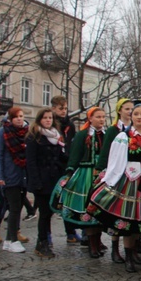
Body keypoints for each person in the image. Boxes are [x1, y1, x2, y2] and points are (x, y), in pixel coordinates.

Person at [89, 101, 141, 274]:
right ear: (131, 116)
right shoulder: (123, 137)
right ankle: (129, 258)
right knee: (128, 220)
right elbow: (114, 160)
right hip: (130, 180)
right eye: (136, 114)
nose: (139, 117)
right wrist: (109, 179)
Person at [54, 107, 108, 258]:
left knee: (99, 211)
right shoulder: (83, 135)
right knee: (88, 210)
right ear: (90, 118)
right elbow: (75, 155)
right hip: (86, 175)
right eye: (98, 117)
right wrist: (70, 173)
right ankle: (92, 244)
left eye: (103, 117)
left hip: (102, 175)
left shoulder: (106, 135)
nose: (101, 120)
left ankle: (98, 242)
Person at [25, 108, 67, 258]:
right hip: (41, 180)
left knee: (50, 213)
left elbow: (61, 158)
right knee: (44, 214)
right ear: (39, 120)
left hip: (54, 179)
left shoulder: (56, 136)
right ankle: (42, 242)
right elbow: (31, 162)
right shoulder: (34, 137)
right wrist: (35, 182)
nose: (48, 120)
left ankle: (45, 240)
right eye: (45, 118)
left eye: (50, 118)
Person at [97, 98, 135, 264]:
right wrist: (102, 171)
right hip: (116, 174)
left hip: (131, 174)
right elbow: (106, 151)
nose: (130, 112)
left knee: (129, 213)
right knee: (116, 212)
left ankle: (131, 249)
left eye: (132, 109)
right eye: (127, 109)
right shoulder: (114, 130)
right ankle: (114, 248)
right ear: (120, 111)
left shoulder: (135, 129)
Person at [0, 107, 31, 253]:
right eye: (16, 116)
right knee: (14, 208)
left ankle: (8, 240)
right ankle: (13, 240)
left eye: (21, 116)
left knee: (18, 207)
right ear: (10, 118)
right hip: (9, 175)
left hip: (23, 174)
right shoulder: (3, 132)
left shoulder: (27, 133)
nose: (19, 119)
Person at [51, 96, 83, 245]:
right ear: (53, 108)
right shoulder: (50, 123)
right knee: (50, 203)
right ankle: (46, 234)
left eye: (65, 108)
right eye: (60, 108)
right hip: (53, 165)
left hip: (67, 165)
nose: (63, 111)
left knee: (66, 201)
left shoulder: (70, 125)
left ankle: (70, 232)